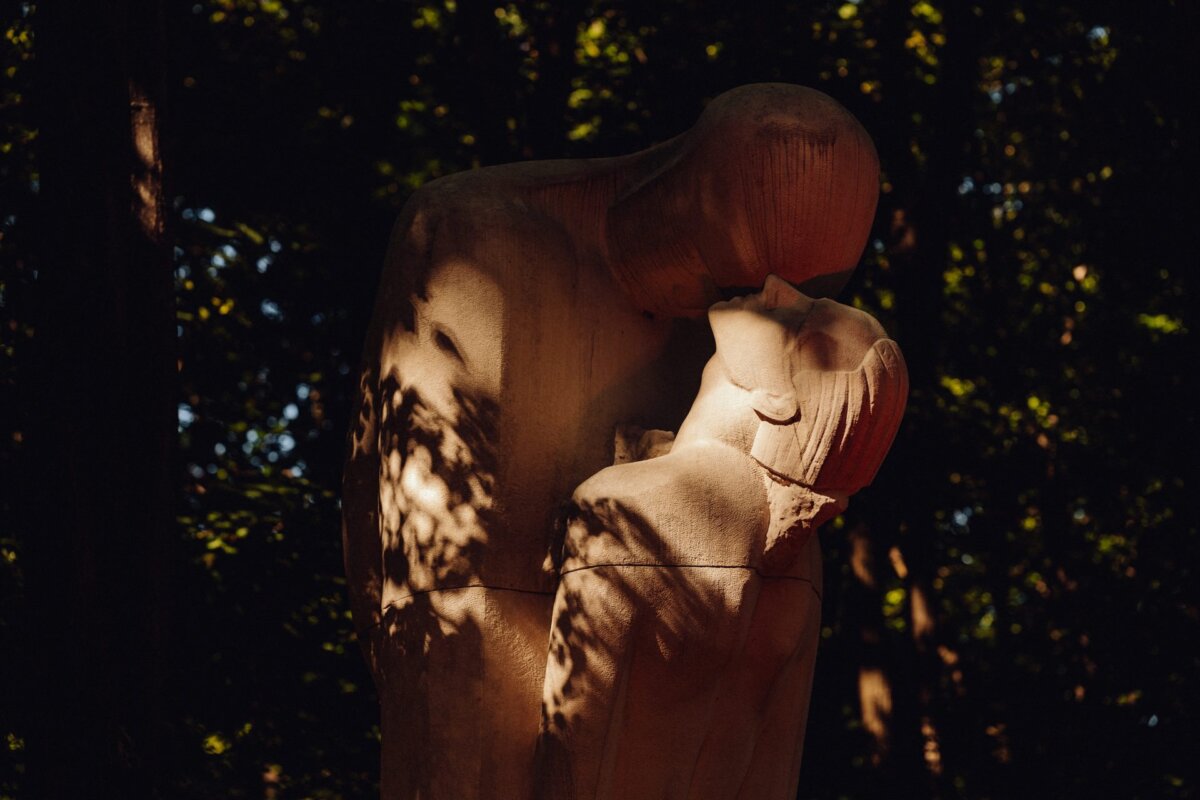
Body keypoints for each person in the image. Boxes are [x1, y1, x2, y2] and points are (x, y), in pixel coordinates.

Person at [342, 84, 882, 798]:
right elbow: (440, 602)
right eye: (761, 278)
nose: (773, 296)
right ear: (692, 188)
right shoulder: (477, 242)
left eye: (806, 293)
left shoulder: (760, 527)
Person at [536, 275, 908, 799]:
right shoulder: (802, 567)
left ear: (779, 401)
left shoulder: (627, 507)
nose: (778, 286)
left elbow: (572, 747)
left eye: (799, 318)